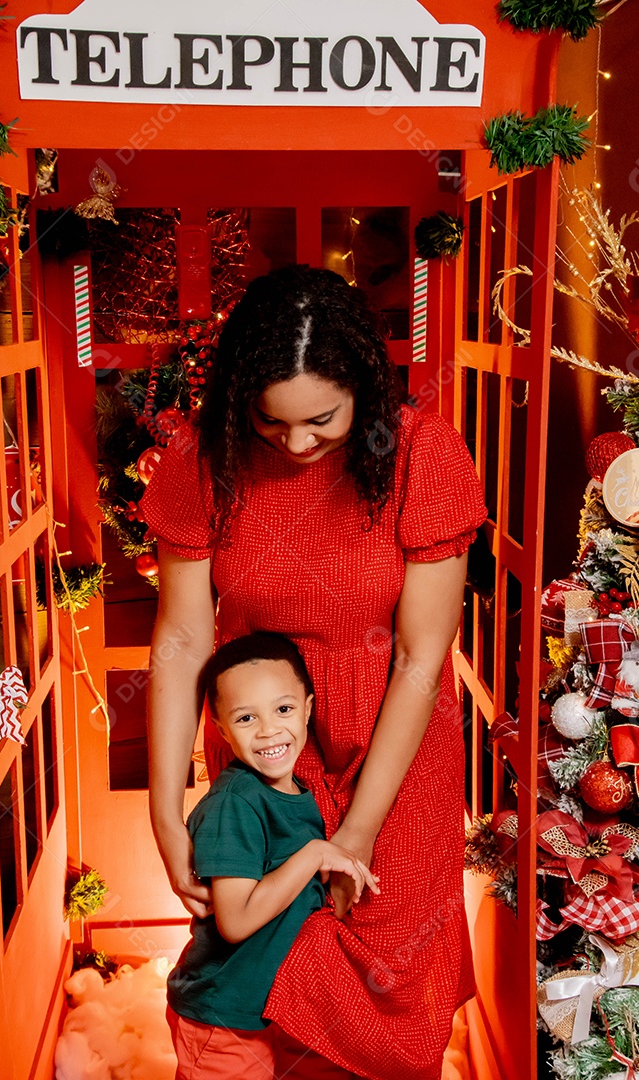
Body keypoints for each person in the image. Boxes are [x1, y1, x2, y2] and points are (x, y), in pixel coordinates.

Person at [141, 265, 487, 1080]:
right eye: (271, 422)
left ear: (362, 387)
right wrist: (165, 812)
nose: (296, 445)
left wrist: (355, 833)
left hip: (394, 747)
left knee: (393, 980)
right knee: (259, 969)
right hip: (266, 746)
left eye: (321, 421)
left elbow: (421, 657)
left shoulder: (423, 453)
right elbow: (182, 639)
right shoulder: (205, 455)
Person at [166, 631, 379, 1079]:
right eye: (246, 718)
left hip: (262, 1012)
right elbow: (236, 921)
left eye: (283, 709)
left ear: (308, 709)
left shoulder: (298, 792)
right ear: (221, 728)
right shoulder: (234, 804)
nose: (268, 730)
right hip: (221, 1016)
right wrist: (315, 854)